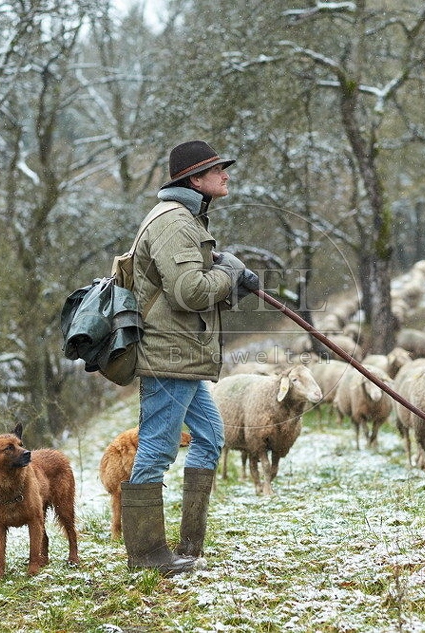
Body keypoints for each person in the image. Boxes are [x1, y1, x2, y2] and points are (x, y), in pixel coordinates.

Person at [120, 140, 259, 576]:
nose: (226, 175)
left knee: (211, 436)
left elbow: (183, 288)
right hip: (169, 355)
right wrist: (230, 271)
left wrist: (231, 283)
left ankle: (190, 545)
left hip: (184, 354)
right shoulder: (174, 223)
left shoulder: (186, 219)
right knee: (158, 447)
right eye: (218, 170)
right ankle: (146, 555)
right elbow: (190, 292)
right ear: (195, 180)